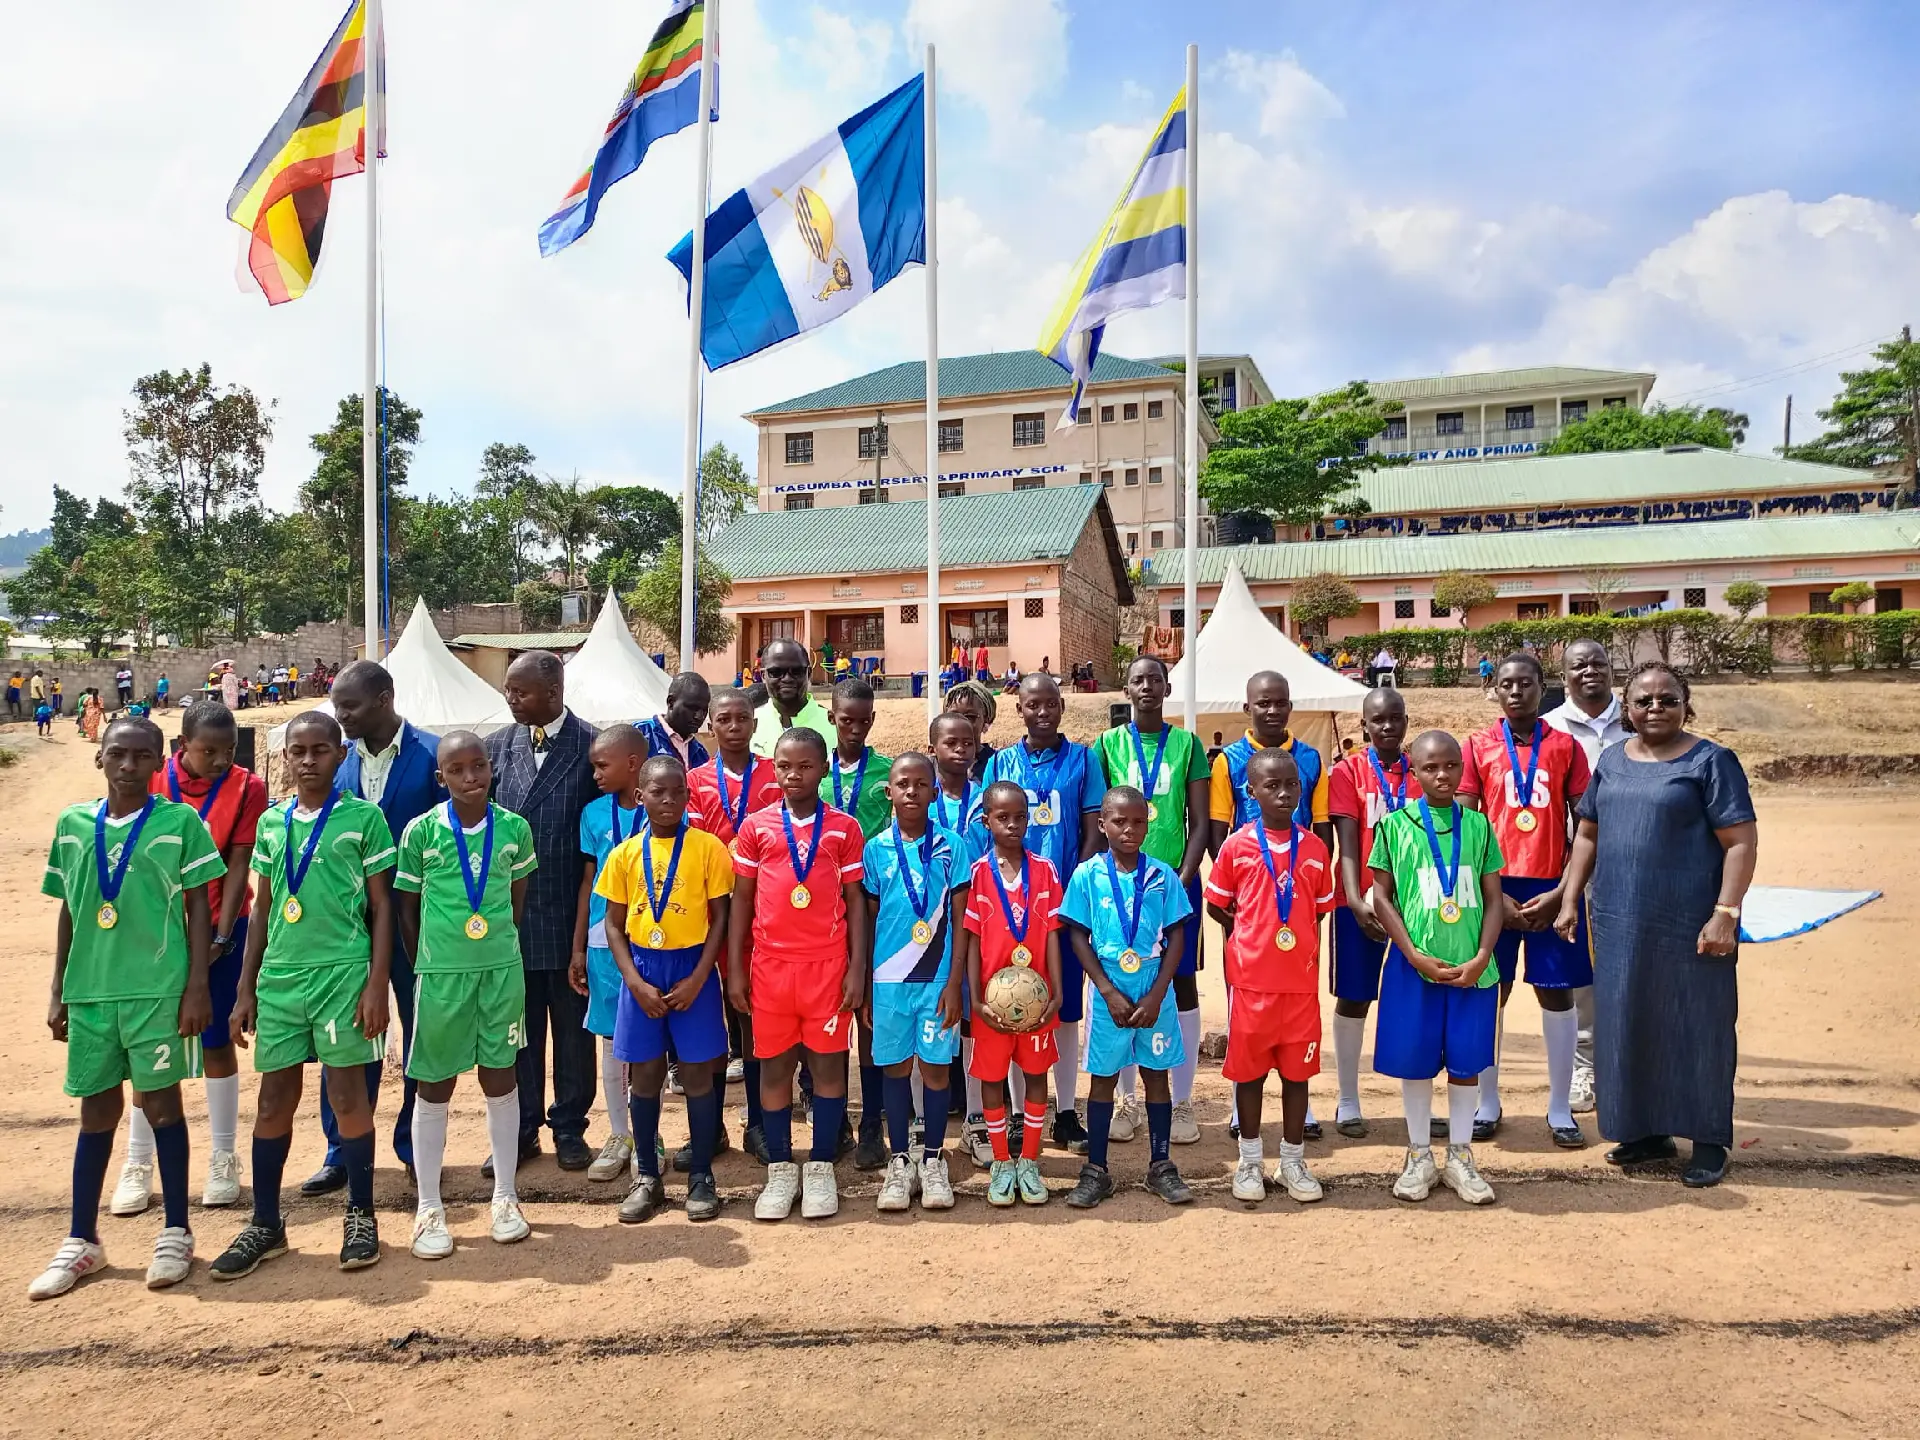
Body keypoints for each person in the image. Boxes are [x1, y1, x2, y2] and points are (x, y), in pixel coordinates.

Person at [30, 717, 223, 1300]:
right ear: (101, 760)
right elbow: (69, 910)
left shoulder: (179, 823)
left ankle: (177, 1232)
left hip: (156, 992)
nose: (129, 766)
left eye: (143, 756)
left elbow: (198, 910)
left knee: (162, 1106)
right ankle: (82, 1239)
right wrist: (58, 986)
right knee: (95, 1114)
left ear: (159, 761)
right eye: (119, 754)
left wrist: (196, 987)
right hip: (91, 993)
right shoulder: (72, 824)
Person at [1556, 663, 1758, 1189]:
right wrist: (1571, 898)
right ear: (1627, 708)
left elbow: (1740, 842)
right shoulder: (1613, 761)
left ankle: (1709, 1140)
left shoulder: (1712, 762)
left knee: (1698, 1025)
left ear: (1685, 704)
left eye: (1667, 699)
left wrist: (1725, 914)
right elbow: (1587, 835)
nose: (1655, 708)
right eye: (1644, 701)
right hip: (1620, 922)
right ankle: (1647, 1132)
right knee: (1629, 1021)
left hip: (1690, 923)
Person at [212, 711, 395, 1280]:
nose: (309, 760)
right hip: (282, 979)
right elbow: (263, 908)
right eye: (299, 750)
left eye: (321, 750)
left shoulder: (365, 819)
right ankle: (267, 1224)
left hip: (342, 974)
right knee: (273, 1101)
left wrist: (376, 985)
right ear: (285, 756)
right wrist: (246, 989)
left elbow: (383, 907)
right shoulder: (271, 825)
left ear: (342, 756)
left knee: (347, 1099)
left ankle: (360, 1215)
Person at [111, 702, 269, 1219]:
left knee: (218, 1039)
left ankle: (224, 1156)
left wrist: (222, 938)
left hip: (224, 925)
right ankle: (138, 1161)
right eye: (208, 751)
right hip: (159, 933)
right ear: (180, 749)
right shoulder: (154, 780)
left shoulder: (248, 788)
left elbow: (239, 862)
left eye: (228, 750)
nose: (221, 760)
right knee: (152, 1046)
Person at [393, 732, 539, 1258]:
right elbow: (407, 908)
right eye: (458, 769)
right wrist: (427, 963)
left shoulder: (515, 830)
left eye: (479, 766)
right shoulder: (421, 832)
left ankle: (505, 1196)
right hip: (441, 976)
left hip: (500, 972)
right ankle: (429, 1206)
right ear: (442, 778)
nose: (471, 777)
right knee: (434, 1085)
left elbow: (516, 901)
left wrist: (491, 945)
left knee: (500, 1076)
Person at [306, 660, 445, 1196]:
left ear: (385, 699)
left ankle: (414, 1147)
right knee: (345, 1038)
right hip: (346, 928)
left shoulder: (433, 756)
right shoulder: (336, 762)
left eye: (350, 706)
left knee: (420, 1035)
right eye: (336, 706)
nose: (339, 716)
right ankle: (342, 1148)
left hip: (416, 923)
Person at [729, 728, 867, 1221]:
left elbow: (855, 903)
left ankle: (822, 1166)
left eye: (805, 766)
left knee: (828, 1070)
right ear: (775, 769)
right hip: (769, 968)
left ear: (823, 769)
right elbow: (741, 900)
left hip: (827, 969)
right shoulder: (756, 827)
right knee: (774, 1068)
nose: (794, 775)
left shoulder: (844, 829)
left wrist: (857, 970)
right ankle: (782, 1169)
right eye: (785, 766)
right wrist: (737, 970)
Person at [1459, 652, 1592, 1149]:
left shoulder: (1565, 747)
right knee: (1490, 991)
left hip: (1551, 889)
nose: (1516, 692)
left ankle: (1559, 1108)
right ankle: (1487, 1103)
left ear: (1542, 688)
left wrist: (1564, 891)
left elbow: (1586, 825)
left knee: (1556, 993)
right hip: (1495, 889)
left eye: (1526, 684)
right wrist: (1491, 895)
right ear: (1494, 689)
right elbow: (1469, 827)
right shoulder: (1478, 746)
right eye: (1507, 684)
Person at [1368, 731, 1505, 1205]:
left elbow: (1493, 899)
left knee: (1466, 1065)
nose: (1442, 775)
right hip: (1415, 968)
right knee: (1417, 1062)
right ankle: (1420, 1154)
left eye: (1450, 765)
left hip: (1472, 968)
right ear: (1415, 771)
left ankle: (1462, 1156)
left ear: (1463, 767)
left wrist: (1484, 955)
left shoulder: (1480, 826)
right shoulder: (1395, 826)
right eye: (1431, 767)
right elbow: (1381, 896)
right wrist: (1411, 953)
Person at [597, 755, 736, 1223]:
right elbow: (614, 926)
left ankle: (700, 1174)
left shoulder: (709, 849)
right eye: (658, 792)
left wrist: (700, 976)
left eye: (678, 792)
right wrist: (634, 982)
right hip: (642, 970)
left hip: (691, 967)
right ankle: (648, 1177)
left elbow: (721, 920)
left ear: (688, 796)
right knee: (646, 1077)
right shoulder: (624, 856)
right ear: (641, 797)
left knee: (698, 1075)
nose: (669, 800)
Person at [486, 651, 603, 1173]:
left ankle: (571, 1127)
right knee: (519, 1035)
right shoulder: (495, 748)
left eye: (520, 691)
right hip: (509, 920)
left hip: (568, 917)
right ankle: (521, 1129)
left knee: (574, 1034)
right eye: (508, 690)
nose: (510, 699)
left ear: (553, 693)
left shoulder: (590, 746)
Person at [1205, 750, 1337, 1205]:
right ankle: (1249, 1162)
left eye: (1291, 785)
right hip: (1252, 985)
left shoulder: (1317, 851)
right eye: (1272, 786)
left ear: (1302, 790)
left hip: (1299, 988)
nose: (1283, 793)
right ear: (1252, 791)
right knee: (1250, 1075)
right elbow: (1215, 903)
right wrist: (1251, 937)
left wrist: (1290, 940)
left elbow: (1319, 910)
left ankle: (1293, 1160)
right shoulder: (1237, 846)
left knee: (1297, 1076)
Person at [980, 671, 1105, 1154]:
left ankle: (1067, 1111)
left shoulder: (1083, 759)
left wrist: (1075, 888)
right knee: (1014, 997)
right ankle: (1016, 1114)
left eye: (1051, 703)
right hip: (1013, 906)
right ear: (1020, 709)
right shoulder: (1001, 764)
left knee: (1065, 1007)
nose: (1043, 712)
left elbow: (1092, 828)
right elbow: (990, 827)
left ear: (1062, 707)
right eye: (1034, 704)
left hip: (1063, 902)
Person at [1209, 670, 1332, 1139]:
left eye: (1280, 702)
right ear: (1248, 708)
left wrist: (1301, 904)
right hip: (1249, 890)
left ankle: (1299, 1099)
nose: (1273, 710)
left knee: (1296, 1002)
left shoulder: (1311, 760)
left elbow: (1322, 828)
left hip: (1296, 888)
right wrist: (1239, 892)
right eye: (1263, 703)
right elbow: (1219, 831)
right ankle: (1247, 1101)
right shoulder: (1229, 762)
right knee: (1247, 999)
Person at [1093, 656, 1211, 1147]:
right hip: (1120, 891)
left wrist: (1179, 883)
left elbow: (1200, 822)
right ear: (1127, 686)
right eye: (1139, 680)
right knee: (1122, 981)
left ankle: (1181, 1103)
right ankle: (1127, 1100)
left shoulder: (1187, 744)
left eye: (1156, 680)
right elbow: (1098, 818)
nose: (1148, 687)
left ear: (1167, 687)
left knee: (1180, 987)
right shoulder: (1106, 744)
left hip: (1175, 888)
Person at [1061, 787, 1195, 1208]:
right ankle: (1096, 1170)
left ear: (1148, 824)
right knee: (1103, 1078)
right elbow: (1076, 934)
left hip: (1153, 987)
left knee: (1156, 1074)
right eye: (1119, 821)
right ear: (1102, 824)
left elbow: (1177, 935)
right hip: (1108, 990)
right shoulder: (1087, 875)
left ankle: (1160, 1165)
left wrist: (1158, 994)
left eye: (1138, 822)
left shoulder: (1162, 875)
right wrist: (1104, 989)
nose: (1129, 830)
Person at [862, 753, 969, 1211]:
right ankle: (900, 1160)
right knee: (895, 1068)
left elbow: (964, 920)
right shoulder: (876, 850)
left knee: (936, 1068)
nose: (911, 791)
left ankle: (933, 1158)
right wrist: (866, 985)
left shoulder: (953, 846)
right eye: (902, 783)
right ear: (889, 791)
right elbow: (867, 923)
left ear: (933, 791)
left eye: (920, 784)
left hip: (937, 980)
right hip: (888, 982)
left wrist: (956, 982)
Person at [687, 688, 785, 1162]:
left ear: (753, 722)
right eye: (723, 718)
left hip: (764, 915)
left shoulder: (773, 773)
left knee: (752, 1024)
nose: (733, 726)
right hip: (707, 917)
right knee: (708, 1025)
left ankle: (758, 1123)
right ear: (711, 724)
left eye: (741, 717)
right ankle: (709, 1129)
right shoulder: (695, 780)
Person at [1325, 687, 1422, 1138]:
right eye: (1377, 720)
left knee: (1415, 999)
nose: (1387, 726)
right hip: (1360, 903)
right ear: (1363, 725)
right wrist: (1352, 898)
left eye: (1395, 718)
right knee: (1355, 996)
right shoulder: (1348, 772)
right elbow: (1347, 844)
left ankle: (1416, 1100)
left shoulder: (1420, 769)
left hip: (1415, 905)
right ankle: (1348, 1100)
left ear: (1405, 722)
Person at [964, 782, 1064, 1206]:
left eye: (1020, 816)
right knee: (991, 1078)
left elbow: (1055, 936)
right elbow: (971, 940)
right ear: (986, 822)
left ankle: (1029, 1160)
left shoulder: (1045, 870)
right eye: (1003, 818)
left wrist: (1057, 993)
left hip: (1039, 1002)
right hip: (994, 1006)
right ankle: (1001, 1162)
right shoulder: (978, 874)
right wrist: (975, 1001)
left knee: (1036, 1075)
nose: (1013, 825)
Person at [1544, 638, 1631, 1116]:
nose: (1591, 671)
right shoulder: (1549, 729)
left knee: (1631, 968)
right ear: (1565, 676)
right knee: (1581, 976)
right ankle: (1584, 1066)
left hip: (1637, 866)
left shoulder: (1638, 716)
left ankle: (1631, 1066)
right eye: (1579, 666)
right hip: (1573, 869)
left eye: (1599, 662)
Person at [818, 677, 895, 1168]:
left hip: (872, 911)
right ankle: (832, 1120)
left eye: (863, 721)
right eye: (846, 719)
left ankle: (872, 1123)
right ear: (831, 718)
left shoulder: (888, 772)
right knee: (826, 1020)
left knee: (868, 1019)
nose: (854, 728)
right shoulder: (810, 771)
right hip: (820, 913)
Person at [573, 727, 651, 1185]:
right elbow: (588, 883)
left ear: (633, 763)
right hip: (605, 942)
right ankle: (619, 1134)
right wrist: (579, 945)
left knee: (646, 1039)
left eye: (603, 765)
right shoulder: (593, 813)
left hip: (652, 939)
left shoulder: (660, 805)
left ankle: (649, 1135)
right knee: (608, 1041)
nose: (596, 774)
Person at [751, 638, 835, 758]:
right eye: (776, 672)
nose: (787, 678)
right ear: (763, 675)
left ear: (809, 674)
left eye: (796, 671)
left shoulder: (834, 725)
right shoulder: (747, 724)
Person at [637, 672, 712, 770]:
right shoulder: (640, 735)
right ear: (671, 702)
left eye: (704, 710)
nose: (699, 716)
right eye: (692, 708)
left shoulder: (700, 753)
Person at [943, 679, 998, 779]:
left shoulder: (999, 764)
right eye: (953, 716)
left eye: (970, 717)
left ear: (985, 719)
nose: (961, 723)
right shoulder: (935, 767)